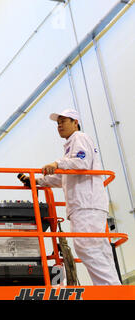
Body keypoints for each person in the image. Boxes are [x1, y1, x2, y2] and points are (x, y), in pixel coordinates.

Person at [20, 108, 120, 285]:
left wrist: (57, 163)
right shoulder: (71, 147)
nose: (59, 125)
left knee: (87, 247)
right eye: (58, 122)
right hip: (85, 204)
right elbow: (64, 176)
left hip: (86, 203)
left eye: (63, 121)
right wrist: (38, 181)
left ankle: (110, 292)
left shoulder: (79, 138)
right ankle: (114, 291)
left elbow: (81, 161)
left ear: (75, 123)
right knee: (98, 250)